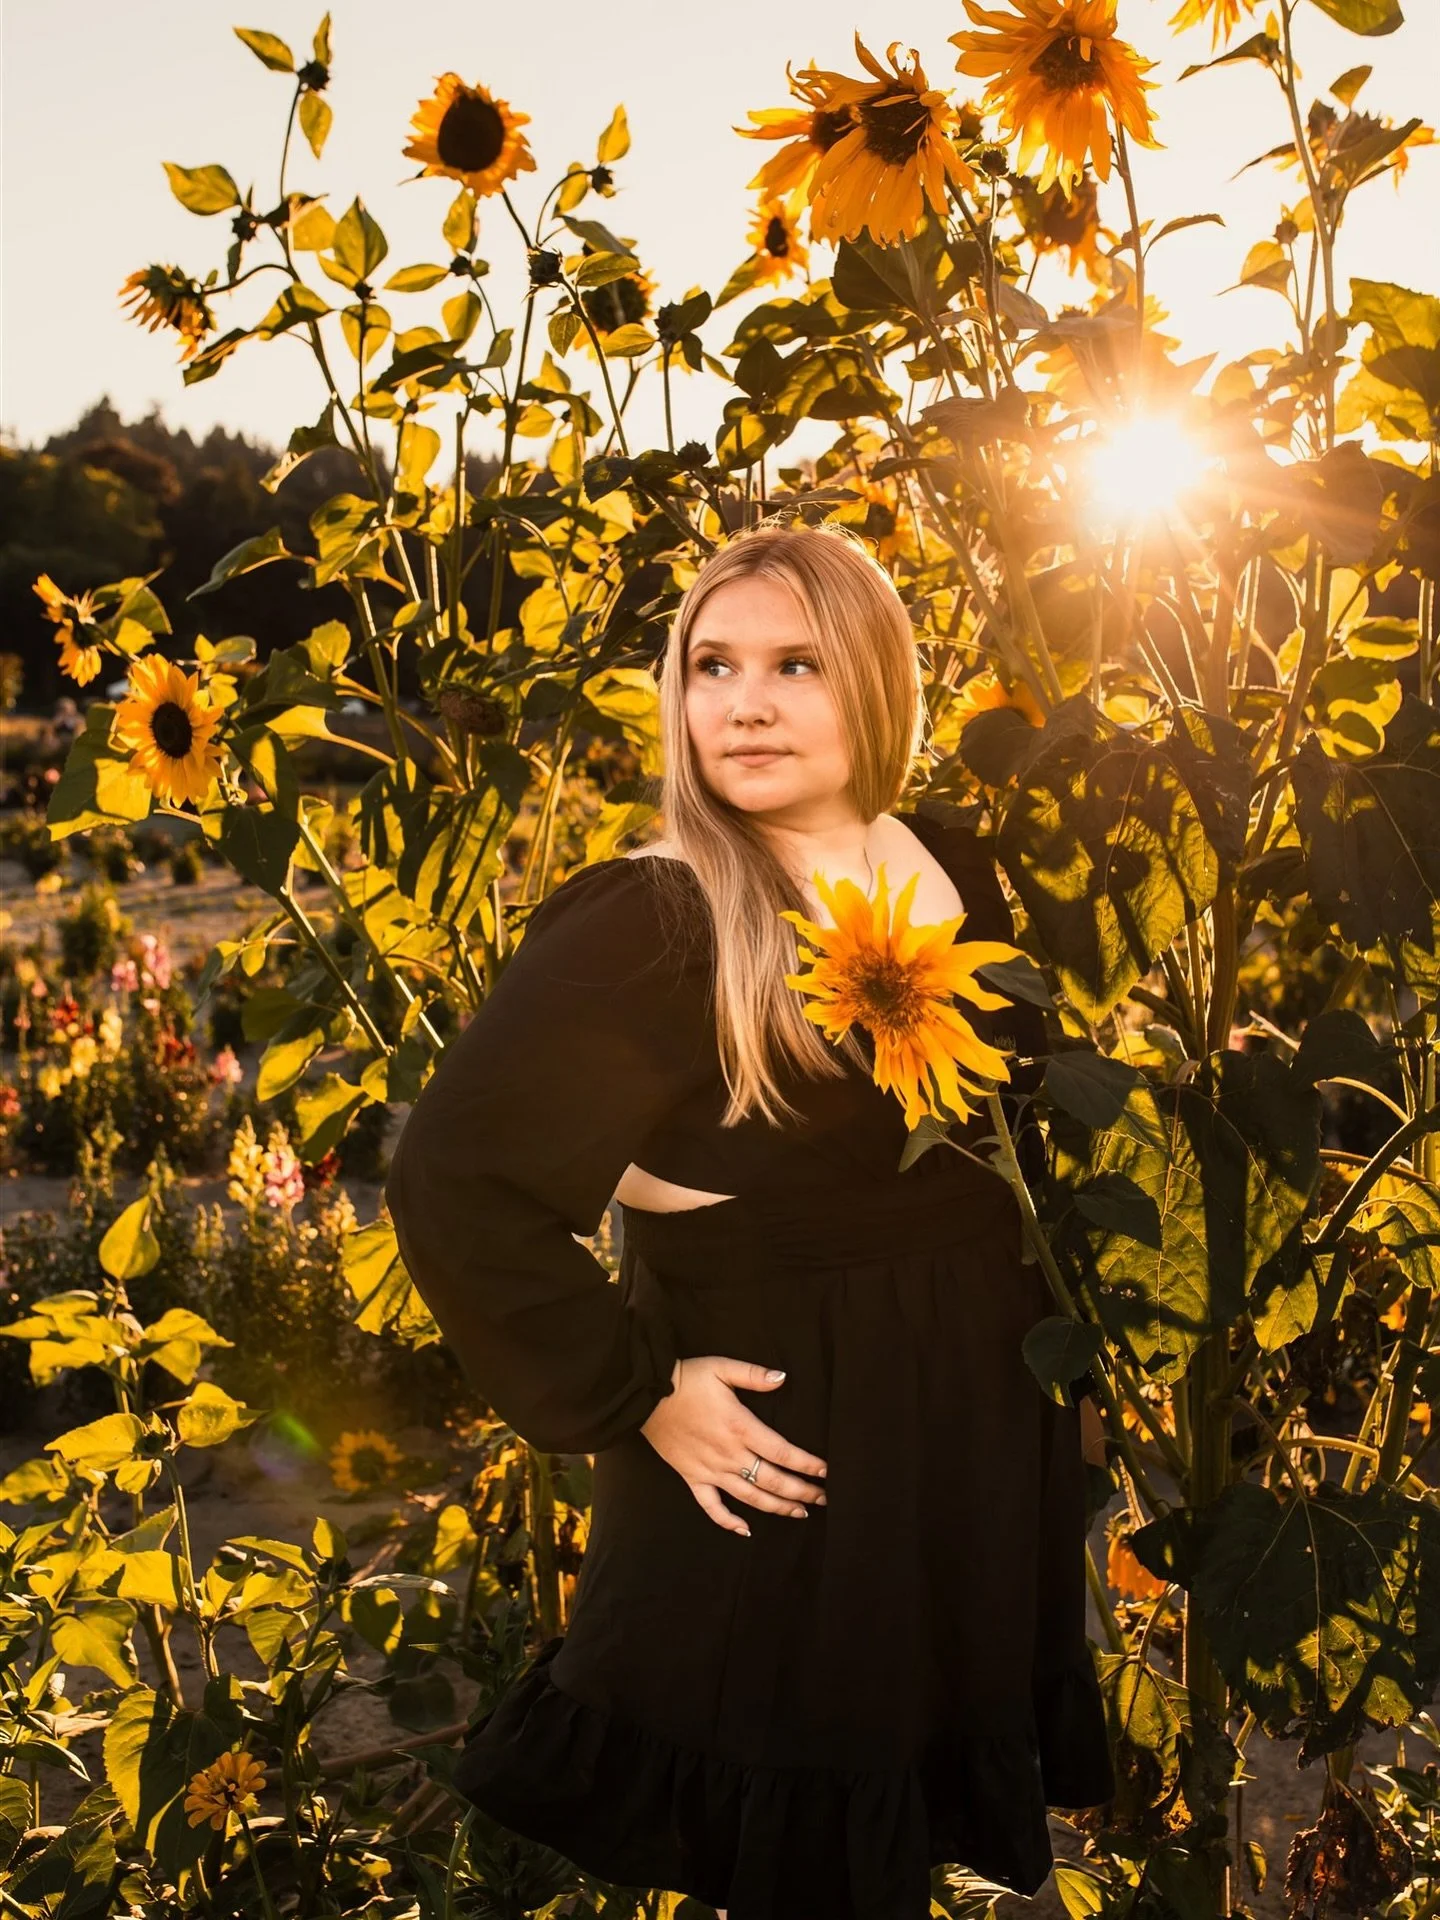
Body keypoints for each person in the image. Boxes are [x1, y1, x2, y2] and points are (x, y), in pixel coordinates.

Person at [384, 523, 1115, 1920]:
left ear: (879, 684)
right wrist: (636, 1394)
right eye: (711, 666)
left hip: (956, 1464)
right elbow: (457, 1182)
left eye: (797, 664)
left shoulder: (955, 860)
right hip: (790, 1482)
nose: (747, 703)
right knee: (805, 1862)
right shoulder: (661, 919)